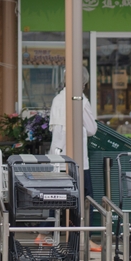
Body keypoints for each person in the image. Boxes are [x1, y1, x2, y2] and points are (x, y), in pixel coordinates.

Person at [49, 66, 99, 250]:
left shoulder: (57, 99)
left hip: (58, 158)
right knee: (86, 199)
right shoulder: (80, 101)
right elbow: (92, 129)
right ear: (83, 83)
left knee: (55, 198)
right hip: (77, 160)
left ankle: (44, 233)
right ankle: (86, 238)